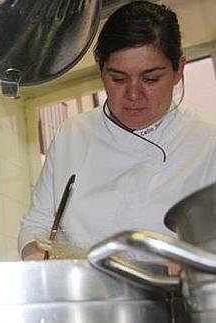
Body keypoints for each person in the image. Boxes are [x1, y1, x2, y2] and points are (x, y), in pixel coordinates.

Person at [18, 1, 216, 261]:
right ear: (100, 67)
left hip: (174, 297)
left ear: (179, 69)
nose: (134, 94)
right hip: (84, 295)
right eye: (118, 79)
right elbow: (37, 223)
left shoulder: (207, 140)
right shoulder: (73, 134)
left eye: (151, 78)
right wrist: (38, 259)